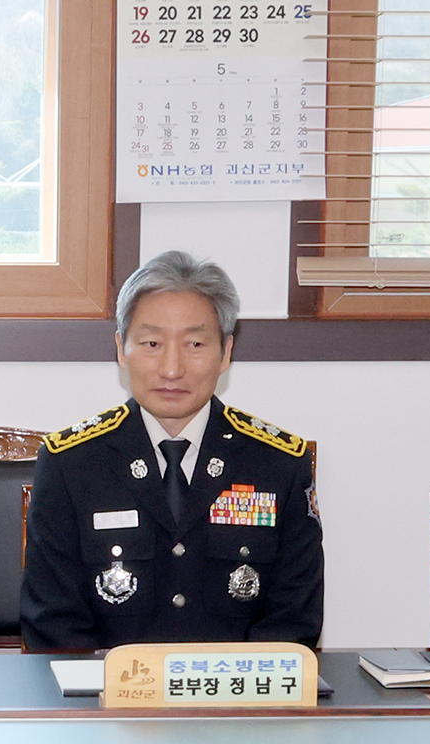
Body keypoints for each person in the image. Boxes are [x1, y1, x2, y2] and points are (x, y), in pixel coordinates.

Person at [20, 251, 321, 651]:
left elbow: (293, 622)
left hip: (237, 704)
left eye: (195, 343)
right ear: (121, 349)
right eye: (151, 343)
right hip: (109, 703)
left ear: (226, 351)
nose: (172, 368)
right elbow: (53, 624)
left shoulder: (278, 464)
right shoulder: (71, 463)